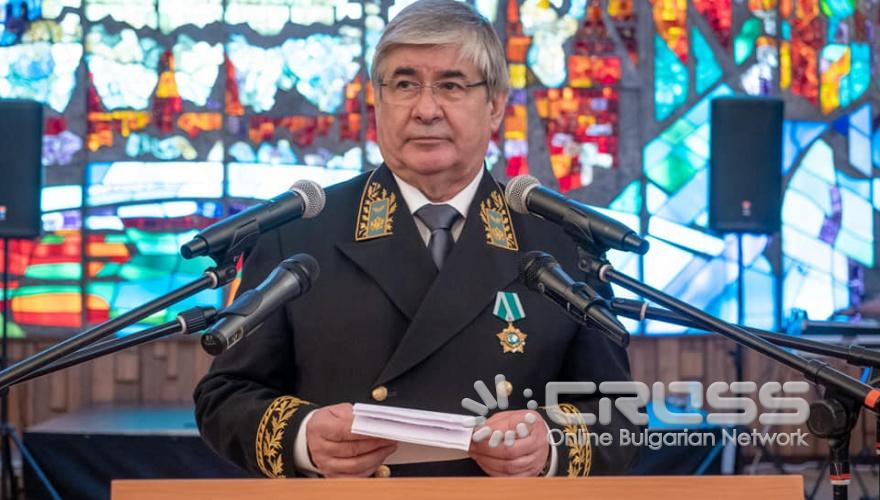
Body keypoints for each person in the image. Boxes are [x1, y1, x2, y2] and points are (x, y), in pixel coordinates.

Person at [194, 0, 638, 479]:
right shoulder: (300, 232)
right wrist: (304, 437)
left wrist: (548, 446)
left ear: (495, 105)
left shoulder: (561, 242)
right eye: (404, 85)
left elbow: (618, 413)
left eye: (451, 85)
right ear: (377, 101)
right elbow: (226, 396)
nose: (426, 110)